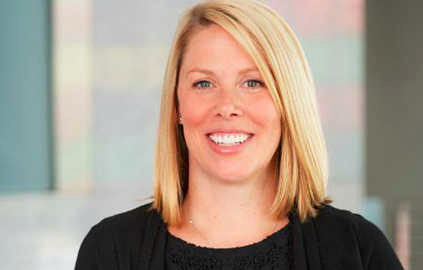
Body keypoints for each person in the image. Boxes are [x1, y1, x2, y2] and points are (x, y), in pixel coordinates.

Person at [75, 0, 404, 269]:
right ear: (177, 104)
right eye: (204, 83)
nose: (227, 106)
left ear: (287, 103)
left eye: (253, 83)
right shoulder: (111, 251)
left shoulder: (357, 248)